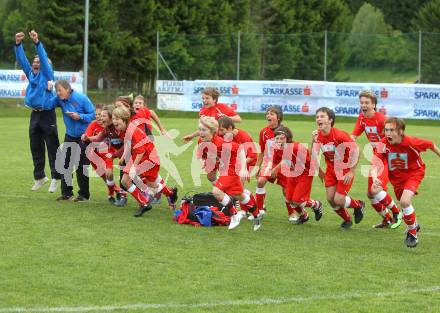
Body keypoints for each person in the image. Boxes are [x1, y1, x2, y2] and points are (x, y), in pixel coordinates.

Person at [371, 117, 440, 247]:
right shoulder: (383, 144)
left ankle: (412, 234)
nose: (388, 133)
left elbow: (431, 144)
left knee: (405, 201)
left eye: (392, 130)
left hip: (414, 173)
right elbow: (376, 162)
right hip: (397, 178)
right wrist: (375, 177)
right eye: (386, 130)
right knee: (403, 203)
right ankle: (414, 225)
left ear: (401, 131)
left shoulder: (411, 142)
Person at [196, 116, 263, 231]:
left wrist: (243, 168)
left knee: (216, 191)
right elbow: (205, 155)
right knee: (240, 195)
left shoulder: (221, 142)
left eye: (204, 130)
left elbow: (240, 149)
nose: (200, 133)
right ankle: (257, 215)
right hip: (223, 169)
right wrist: (205, 162)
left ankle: (234, 214)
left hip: (231, 169)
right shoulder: (201, 141)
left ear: (212, 131)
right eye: (199, 129)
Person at [14, 30, 61, 192]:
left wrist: (37, 43)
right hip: (35, 114)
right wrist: (18, 45)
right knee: (35, 146)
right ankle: (40, 177)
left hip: (48, 115)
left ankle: (56, 177)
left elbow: (44, 61)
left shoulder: (47, 74)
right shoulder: (30, 74)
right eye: (34, 61)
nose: (35, 62)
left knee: (52, 147)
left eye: (38, 61)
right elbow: (22, 61)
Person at [112, 106, 178, 217]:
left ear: (124, 119)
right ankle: (169, 194)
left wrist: (133, 167)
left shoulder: (133, 130)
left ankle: (147, 202)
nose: (114, 121)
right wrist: (123, 155)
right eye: (113, 118)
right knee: (131, 181)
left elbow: (141, 151)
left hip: (148, 158)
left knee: (146, 183)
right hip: (141, 156)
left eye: (117, 119)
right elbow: (128, 143)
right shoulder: (123, 129)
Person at [351, 90, 402, 229]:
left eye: (367, 102)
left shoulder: (381, 119)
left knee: (376, 190)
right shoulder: (362, 118)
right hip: (376, 156)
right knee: (370, 193)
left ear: (374, 104)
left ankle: (397, 213)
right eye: (362, 102)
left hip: (387, 156)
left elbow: (396, 135)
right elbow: (353, 136)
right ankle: (386, 219)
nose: (364, 105)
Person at [312, 107, 365, 229]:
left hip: (345, 170)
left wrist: (351, 171)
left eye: (322, 116)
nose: (318, 119)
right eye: (317, 117)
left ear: (330, 120)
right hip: (331, 171)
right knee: (330, 199)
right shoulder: (317, 136)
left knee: (339, 200)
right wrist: (319, 170)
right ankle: (347, 219)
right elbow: (314, 153)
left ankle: (358, 205)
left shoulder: (340, 135)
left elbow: (356, 150)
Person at [48, 80, 95, 201]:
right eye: (56, 90)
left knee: (81, 166)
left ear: (68, 89)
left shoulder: (81, 98)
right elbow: (47, 105)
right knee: (65, 164)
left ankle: (84, 195)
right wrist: (48, 91)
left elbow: (94, 115)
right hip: (69, 135)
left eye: (60, 90)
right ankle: (67, 193)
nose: (58, 93)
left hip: (84, 137)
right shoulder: (59, 99)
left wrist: (80, 116)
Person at [270, 126, 323, 224]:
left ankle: (316, 204)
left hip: (305, 173)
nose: (279, 141)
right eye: (277, 138)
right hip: (292, 173)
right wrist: (272, 169)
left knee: (297, 200)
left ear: (288, 138)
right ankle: (304, 216)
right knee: (289, 199)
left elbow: (311, 157)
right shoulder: (277, 147)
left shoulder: (296, 147)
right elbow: (278, 160)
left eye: (282, 138)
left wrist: (320, 171)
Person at [254, 106, 297, 221]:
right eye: (267, 113)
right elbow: (262, 151)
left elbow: (288, 153)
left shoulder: (285, 131)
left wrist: (277, 169)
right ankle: (258, 211)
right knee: (260, 181)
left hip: (284, 163)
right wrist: (258, 167)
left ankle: (292, 213)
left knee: (286, 190)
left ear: (278, 117)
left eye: (272, 114)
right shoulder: (263, 132)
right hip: (269, 163)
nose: (268, 115)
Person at [81, 104, 125, 204]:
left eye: (102, 115)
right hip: (99, 155)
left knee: (133, 176)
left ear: (111, 117)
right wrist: (87, 138)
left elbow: (127, 143)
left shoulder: (119, 127)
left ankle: (122, 193)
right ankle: (113, 194)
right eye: (97, 114)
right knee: (107, 175)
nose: (99, 117)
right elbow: (95, 138)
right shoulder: (102, 127)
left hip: (116, 152)